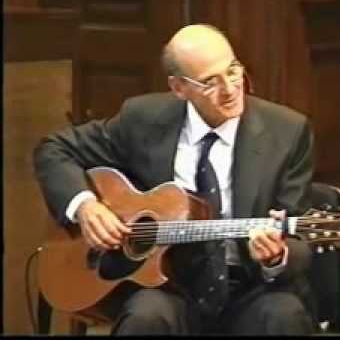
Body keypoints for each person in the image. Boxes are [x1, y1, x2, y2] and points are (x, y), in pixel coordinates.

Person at [34, 23, 316, 335]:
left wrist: (277, 255)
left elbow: (300, 236)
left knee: (282, 316)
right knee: (146, 318)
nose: (231, 88)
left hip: (249, 288)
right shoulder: (144, 118)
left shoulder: (287, 131)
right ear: (179, 87)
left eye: (233, 70)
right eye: (210, 81)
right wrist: (86, 207)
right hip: (169, 287)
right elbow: (54, 150)